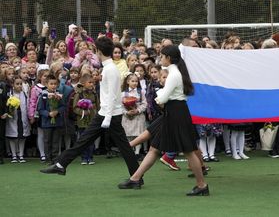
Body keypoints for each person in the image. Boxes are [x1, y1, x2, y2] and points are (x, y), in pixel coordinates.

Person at [40, 37, 140, 182]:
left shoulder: (110, 69)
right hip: (106, 114)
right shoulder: (108, 68)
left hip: (109, 115)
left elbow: (112, 96)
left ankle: (137, 178)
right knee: (85, 140)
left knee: (122, 147)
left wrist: (107, 118)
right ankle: (61, 164)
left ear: (98, 51)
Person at [117, 45, 209, 196]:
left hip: (176, 113)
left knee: (188, 151)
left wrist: (159, 96)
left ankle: (201, 185)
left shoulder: (173, 74)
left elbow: (163, 98)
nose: (160, 59)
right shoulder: (175, 72)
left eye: (162, 56)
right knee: (156, 148)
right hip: (174, 112)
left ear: (169, 58)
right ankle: (135, 178)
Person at [72, 73, 99, 165]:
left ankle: (90, 157)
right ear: (83, 83)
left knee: (91, 139)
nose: (92, 84)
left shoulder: (94, 94)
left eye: (93, 83)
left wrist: (97, 116)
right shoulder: (79, 94)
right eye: (90, 82)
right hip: (82, 121)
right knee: (83, 139)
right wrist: (83, 112)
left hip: (92, 120)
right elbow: (75, 108)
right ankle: (84, 157)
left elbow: (98, 107)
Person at [5, 76, 31, 163]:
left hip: (22, 117)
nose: (19, 86)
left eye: (21, 84)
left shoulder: (24, 94)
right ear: (13, 84)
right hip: (12, 118)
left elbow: (27, 105)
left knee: (22, 137)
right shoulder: (10, 94)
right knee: (13, 137)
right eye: (17, 84)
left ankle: (21, 155)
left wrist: (30, 116)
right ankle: (14, 155)